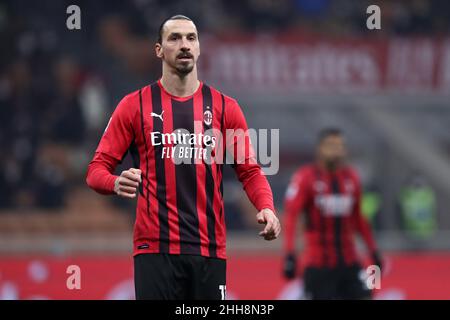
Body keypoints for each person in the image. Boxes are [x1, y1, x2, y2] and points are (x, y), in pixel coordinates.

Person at [86, 15, 280, 300]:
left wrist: (266, 207)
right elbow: (95, 170)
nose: (184, 44)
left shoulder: (226, 108)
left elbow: (249, 171)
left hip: (210, 249)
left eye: (191, 38)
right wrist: (114, 183)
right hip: (154, 249)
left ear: (199, 48)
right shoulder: (133, 106)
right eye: (174, 38)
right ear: (159, 50)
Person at [282, 128, 382, 299]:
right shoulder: (305, 178)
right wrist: (290, 254)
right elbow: (292, 216)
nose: (336, 150)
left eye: (340, 146)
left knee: (367, 294)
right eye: (331, 145)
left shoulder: (351, 178)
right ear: (320, 149)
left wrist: (373, 250)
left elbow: (359, 219)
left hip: (349, 261)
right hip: (319, 265)